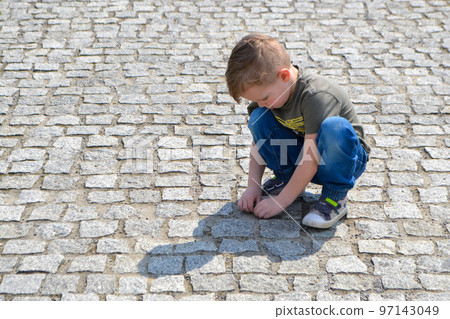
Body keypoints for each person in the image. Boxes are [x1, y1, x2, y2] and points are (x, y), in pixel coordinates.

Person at [225, 34, 370, 229]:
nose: (261, 103)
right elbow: (258, 145)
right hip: (305, 157)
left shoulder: (316, 96)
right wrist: (253, 186)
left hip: (343, 161)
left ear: (284, 75)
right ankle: (287, 179)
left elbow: (311, 156)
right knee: (259, 118)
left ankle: (335, 198)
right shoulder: (273, 94)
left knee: (334, 127)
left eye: (264, 98)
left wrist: (281, 201)